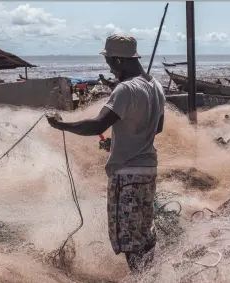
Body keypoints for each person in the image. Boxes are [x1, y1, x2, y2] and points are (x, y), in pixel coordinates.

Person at [46, 34, 165, 273]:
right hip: (148, 172)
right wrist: (117, 142)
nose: (109, 68)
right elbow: (156, 127)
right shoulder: (156, 86)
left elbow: (97, 125)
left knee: (129, 241)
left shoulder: (126, 89)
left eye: (110, 62)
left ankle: (141, 279)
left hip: (126, 176)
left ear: (120, 60)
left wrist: (62, 125)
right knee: (144, 234)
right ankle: (150, 276)